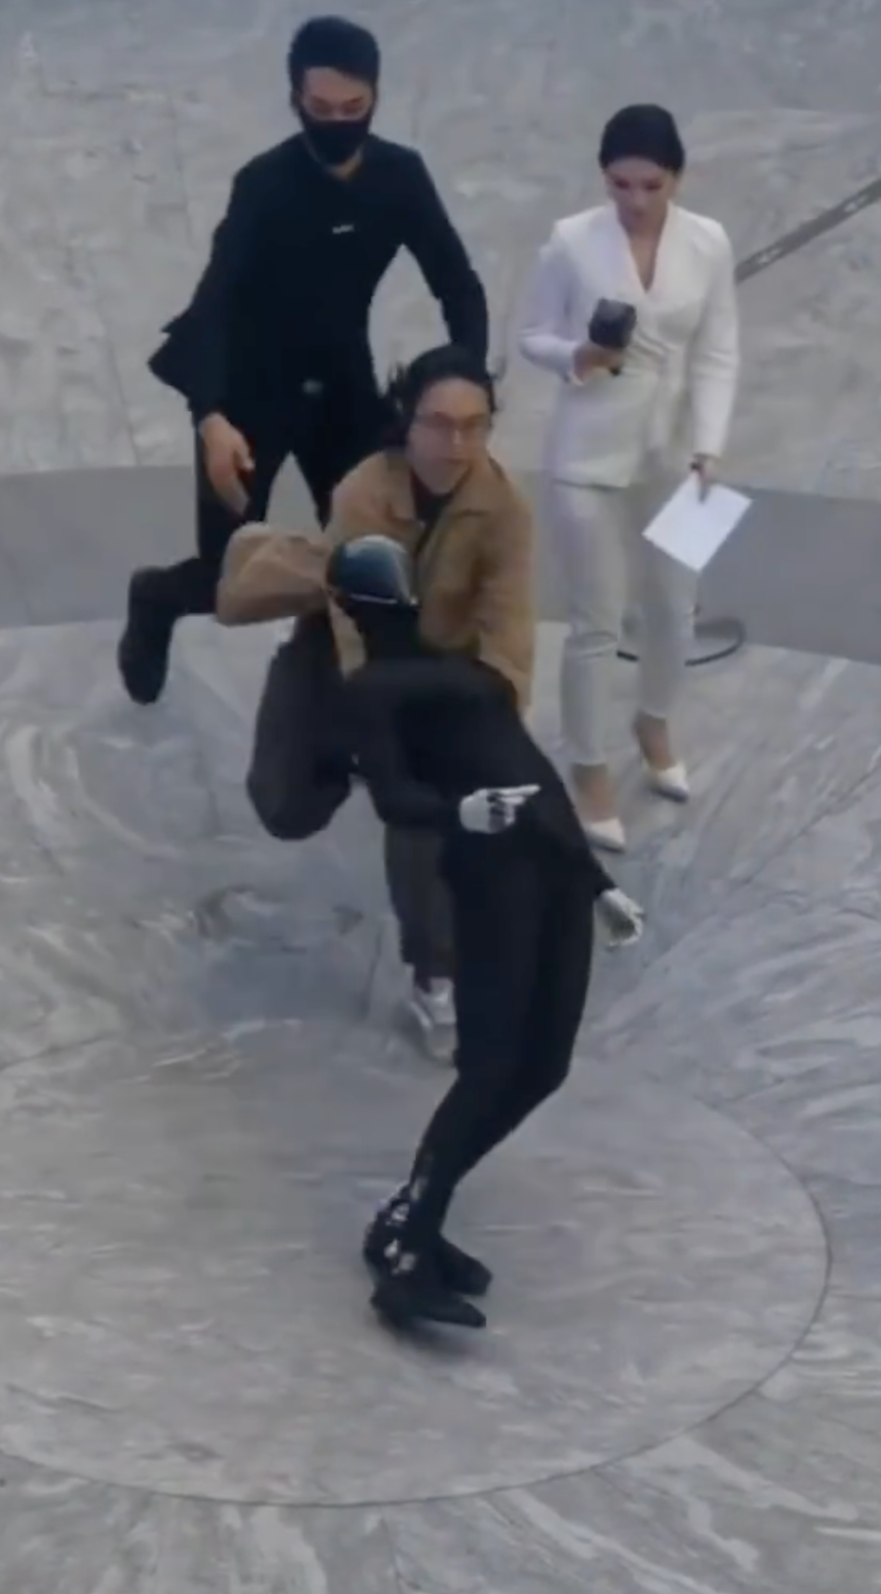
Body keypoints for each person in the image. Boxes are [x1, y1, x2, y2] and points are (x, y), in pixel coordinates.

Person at [118, 14, 489, 708]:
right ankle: (157, 597)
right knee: (227, 580)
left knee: (375, 556)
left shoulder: (401, 178)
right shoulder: (264, 184)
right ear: (295, 100)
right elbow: (214, 302)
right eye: (321, 109)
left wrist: (466, 381)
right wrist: (211, 418)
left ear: (375, 98)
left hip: (341, 380)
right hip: (249, 390)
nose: (338, 123)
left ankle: (341, 694)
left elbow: (457, 284)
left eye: (354, 108)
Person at [328, 534, 645, 1329]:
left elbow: (538, 779)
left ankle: (409, 1216)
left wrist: (598, 883)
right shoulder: (372, 691)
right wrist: (460, 813)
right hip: (492, 881)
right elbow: (393, 797)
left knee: (543, 1066)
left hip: (555, 870)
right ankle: (408, 1254)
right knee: (493, 1065)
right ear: (352, 605)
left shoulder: (470, 672)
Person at [517, 104, 740, 852]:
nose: (635, 200)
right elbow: (534, 335)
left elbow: (718, 349)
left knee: (674, 609)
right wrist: (577, 357)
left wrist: (709, 442)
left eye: (651, 185)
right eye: (620, 184)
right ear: (603, 177)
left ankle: (655, 721)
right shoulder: (571, 242)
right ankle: (587, 767)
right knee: (597, 620)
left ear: (677, 178)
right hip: (586, 456)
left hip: (673, 454)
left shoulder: (707, 242)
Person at [322, 344, 536, 1044]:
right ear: (407, 421)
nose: (457, 444)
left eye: (475, 426)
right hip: (371, 663)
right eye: (440, 424)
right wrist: (372, 724)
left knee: (433, 809)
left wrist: (493, 723)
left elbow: (509, 630)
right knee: (288, 799)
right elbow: (349, 626)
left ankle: (436, 974)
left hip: (452, 672)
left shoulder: (502, 506)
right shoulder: (362, 493)